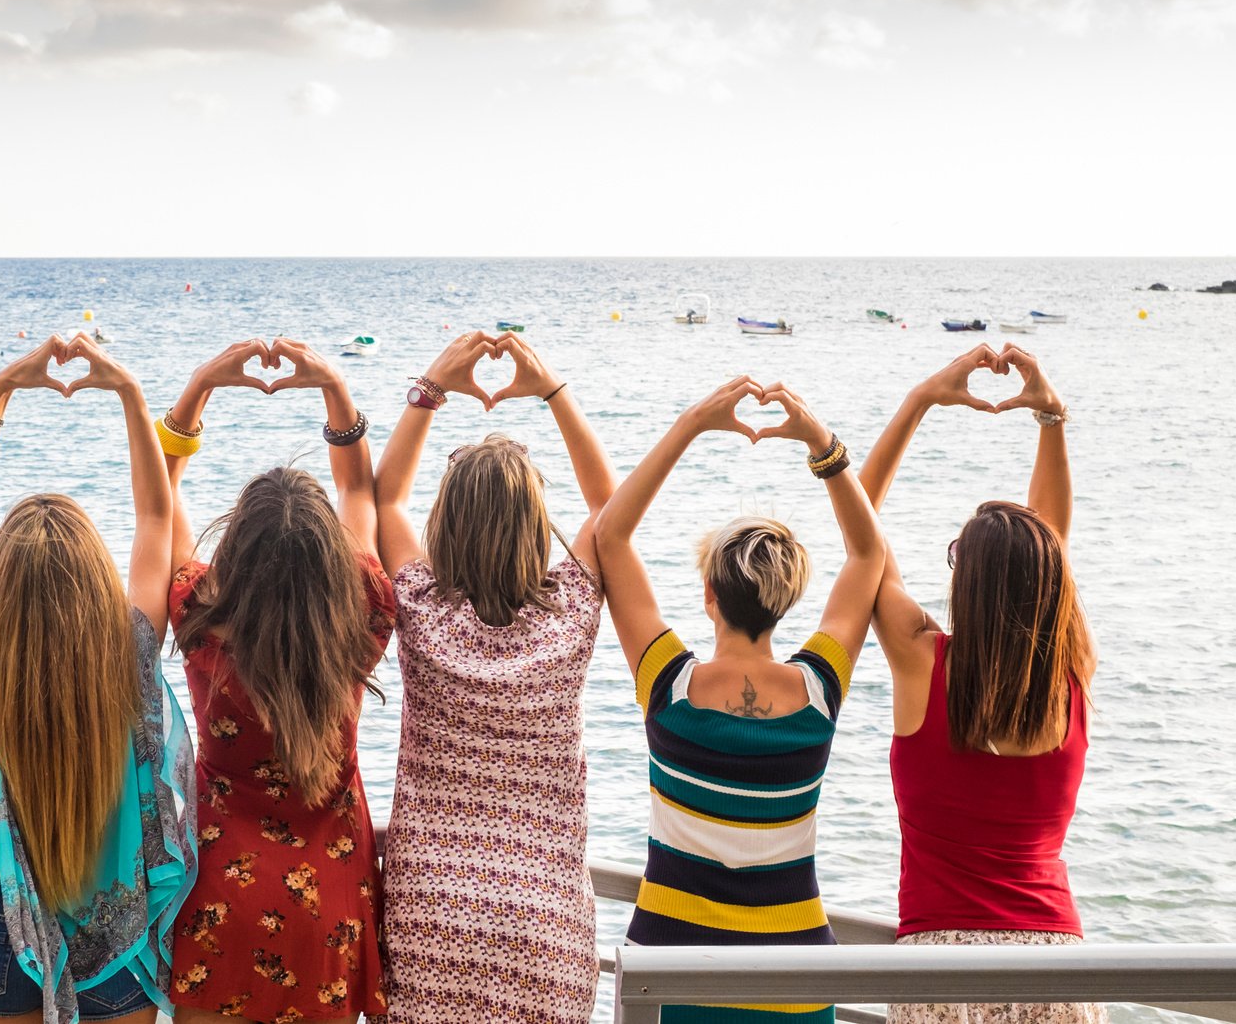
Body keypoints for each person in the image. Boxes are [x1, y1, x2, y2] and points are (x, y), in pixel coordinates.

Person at [589, 376, 886, 1024]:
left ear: (708, 596)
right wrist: (822, 444)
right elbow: (869, 552)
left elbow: (609, 535)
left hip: (668, 976)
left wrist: (693, 422)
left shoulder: (668, 686)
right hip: (797, 978)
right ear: (783, 603)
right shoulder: (817, 694)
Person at [0, 333, 196, 1024]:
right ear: (94, 581)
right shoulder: (129, 652)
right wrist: (128, 393)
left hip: (0, 930)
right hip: (113, 951)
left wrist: (0, 393)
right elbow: (156, 515)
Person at [372, 331, 617, 1024]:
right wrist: (553, 391)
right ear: (538, 526)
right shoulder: (567, 617)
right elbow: (609, 510)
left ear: (445, 523)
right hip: (546, 928)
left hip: (432, 918)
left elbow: (384, 496)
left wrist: (431, 386)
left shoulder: (422, 612)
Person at [861, 345, 1100, 1024]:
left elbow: (861, 532)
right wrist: (1052, 418)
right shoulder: (1067, 678)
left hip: (941, 970)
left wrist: (920, 399)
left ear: (963, 579)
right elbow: (1048, 547)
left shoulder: (920, 662)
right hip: (1058, 965)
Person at [162, 339, 394, 1024]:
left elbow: (160, 492)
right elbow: (358, 488)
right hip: (327, 906)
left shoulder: (200, 620)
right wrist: (333, 388)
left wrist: (201, 383)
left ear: (235, 547)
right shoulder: (361, 619)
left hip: (218, 898)